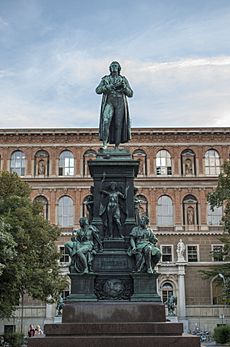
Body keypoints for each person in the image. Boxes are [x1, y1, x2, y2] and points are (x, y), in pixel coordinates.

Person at [96, 61, 133, 149]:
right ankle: (105, 144)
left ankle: (117, 146)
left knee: (118, 124)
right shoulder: (105, 79)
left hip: (120, 102)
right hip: (109, 102)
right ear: (110, 68)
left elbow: (130, 93)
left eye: (116, 65)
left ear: (119, 68)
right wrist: (107, 87)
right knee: (105, 121)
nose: (114, 67)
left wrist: (124, 88)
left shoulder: (123, 79)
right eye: (112, 65)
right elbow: (98, 90)